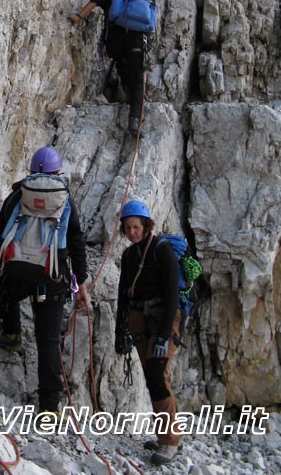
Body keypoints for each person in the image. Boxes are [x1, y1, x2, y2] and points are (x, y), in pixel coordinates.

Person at [0, 146, 90, 413]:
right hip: (53, 276)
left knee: (5, 287)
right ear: (58, 172)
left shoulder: (17, 196)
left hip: (20, 273)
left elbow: (2, 235)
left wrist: (5, 270)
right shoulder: (65, 200)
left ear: (32, 169)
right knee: (48, 342)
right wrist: (80, 283)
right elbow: (76, 242)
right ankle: (49, 408)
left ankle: (11, 332)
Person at [114, 199, 183, 465]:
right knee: (154, 374)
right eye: (128, 228)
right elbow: (123, 295)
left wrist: (165, 333)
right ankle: (170, 434)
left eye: (136, 227)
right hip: (139, 319)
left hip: (163, 317)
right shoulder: (129, 255)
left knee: (156, 372)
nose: (132, 232)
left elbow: (172, 292)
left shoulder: (161, 249)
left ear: (146, 225)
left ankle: (169, 441)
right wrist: (121, 330)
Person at [68, 0, 148, 136]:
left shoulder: (113, 1)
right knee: (137, 83)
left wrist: (78, 17)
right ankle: (135, 122)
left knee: (123, 68)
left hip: (115, 46)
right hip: (135, 46)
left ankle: (128, 97)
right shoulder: (142, 9)